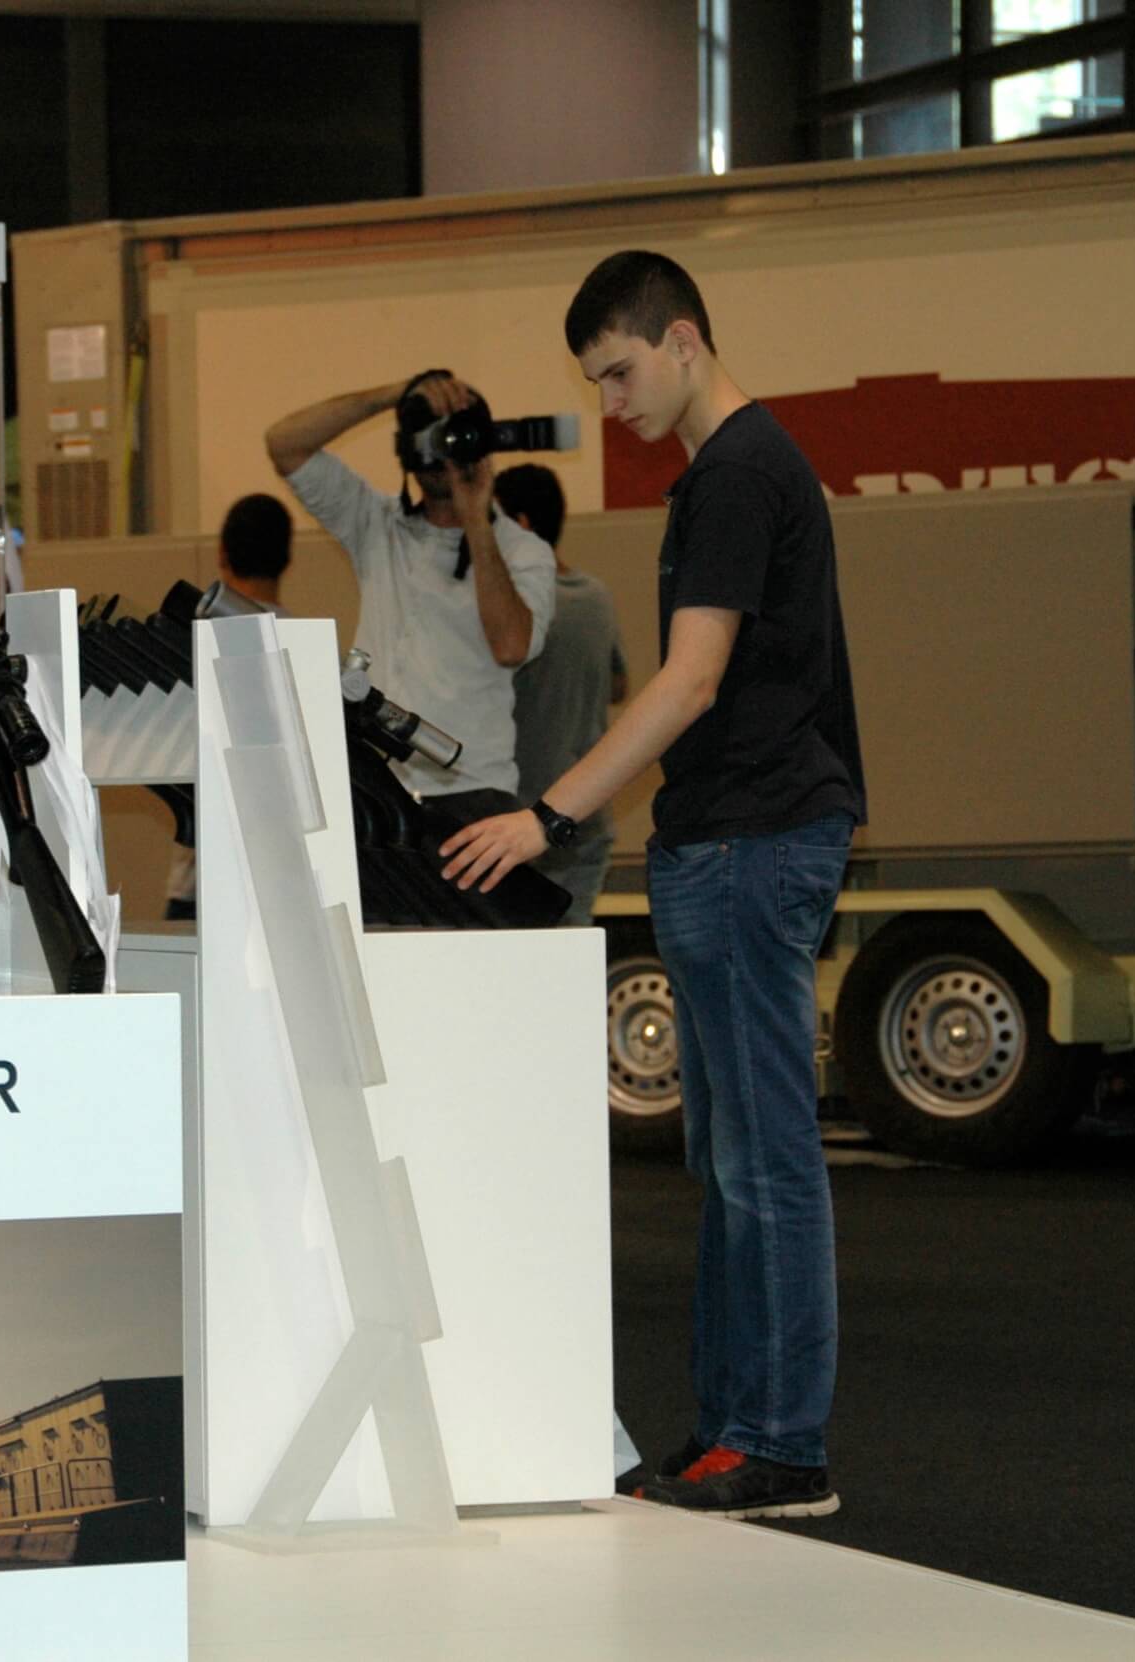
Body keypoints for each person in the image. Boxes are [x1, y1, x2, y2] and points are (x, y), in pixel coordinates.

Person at [442, 251, 866, 1520]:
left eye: (619, 372)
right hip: (729, 841)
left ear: (683, 340)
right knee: (733, 1161)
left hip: (752, 840)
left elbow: (687, 681)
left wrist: (547, 816)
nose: (610, 402)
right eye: (596, 381)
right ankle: (739, 1433)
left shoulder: (736, 474)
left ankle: (778, 1445)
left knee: (762, 1162)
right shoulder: (726, 473)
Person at [265, 370, 555, 823]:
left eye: (453, 437)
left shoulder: (523, 551)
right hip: (376, 786)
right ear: (407, 450)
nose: (442, 453)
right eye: (430, 438)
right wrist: (397, 393)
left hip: (473, 794)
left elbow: (511, 647)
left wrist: (475, 518)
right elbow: (284, 443)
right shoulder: (376, 524)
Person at [494, 464, 625, 927]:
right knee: (570, 956)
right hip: (587, 818)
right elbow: (618, 686)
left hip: (520, 822)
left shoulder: (514, 613)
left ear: (521, 524)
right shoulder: (596, 597)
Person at [165, 492, 298, 920]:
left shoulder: (191, 646)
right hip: (281, 875)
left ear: (222, 554)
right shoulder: (303, 649)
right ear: (286, 558)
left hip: (202, 875)